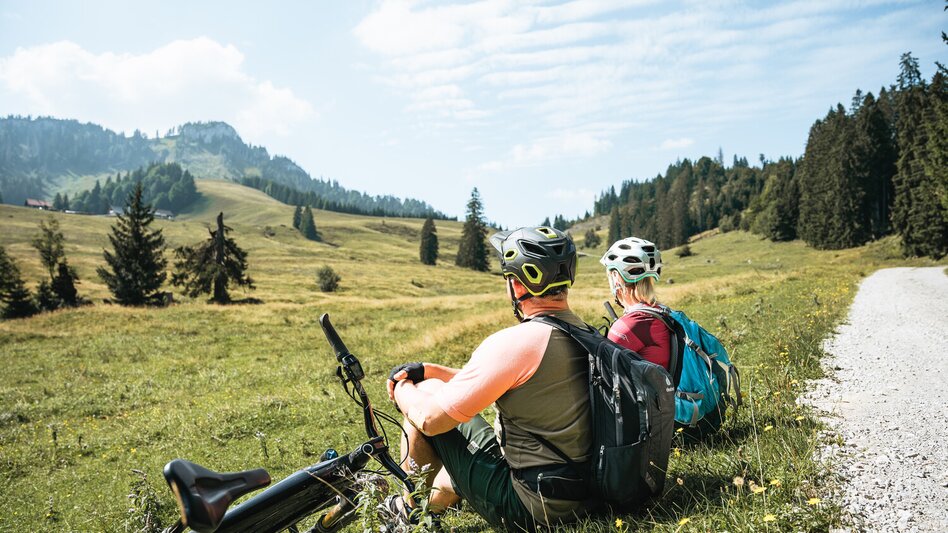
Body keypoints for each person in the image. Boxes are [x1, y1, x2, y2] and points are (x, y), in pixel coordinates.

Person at [384, 226, 593, 531]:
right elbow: (516, 381)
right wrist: (432, 370)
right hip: (586, 491)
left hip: (531, 507)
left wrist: (404, 388)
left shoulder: (518, 342)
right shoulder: (586, 334)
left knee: (425, 397)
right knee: (434, 390)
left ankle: (408, 514)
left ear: (518, 285)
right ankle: (432, 504)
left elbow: (431, 419)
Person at [600, 237, 671, 370]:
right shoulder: (663, 312)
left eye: (610, 274)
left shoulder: (629, 326)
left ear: (616, 276)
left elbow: (604, 373)